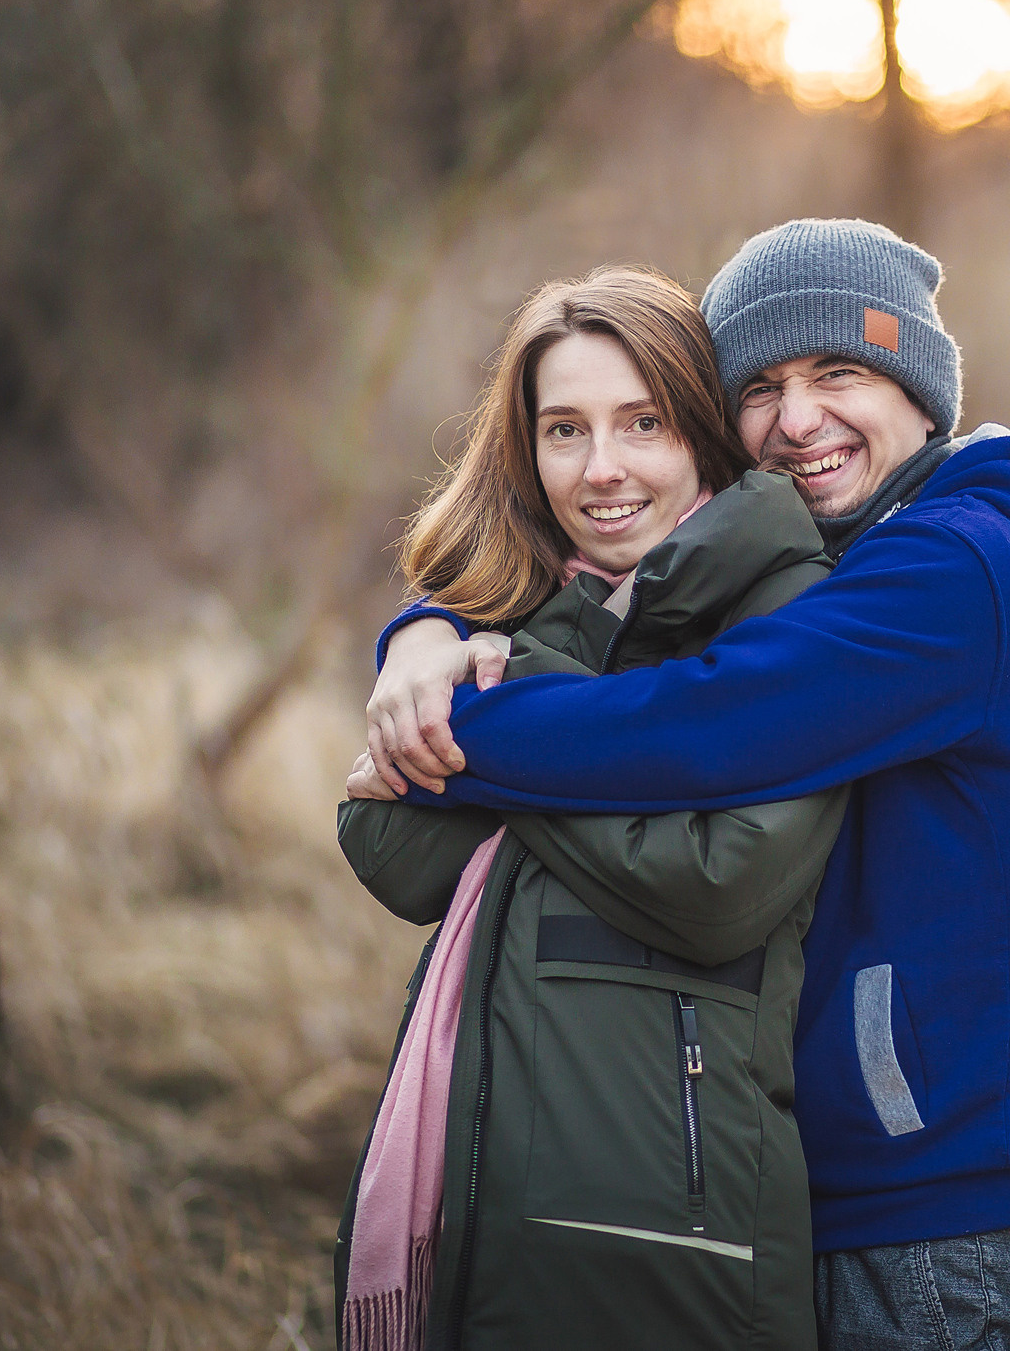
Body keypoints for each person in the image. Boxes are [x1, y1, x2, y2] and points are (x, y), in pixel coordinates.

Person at [367, 220, 1010, 1349]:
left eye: (838, 372)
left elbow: (704, 721)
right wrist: (429, 629)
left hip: (940, 1242)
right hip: (833, 1204)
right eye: (759, 387)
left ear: (919, 388)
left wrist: (457, 719)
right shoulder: (846, 557)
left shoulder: (953, 571)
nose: (796, 419)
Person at [334, 266, 844, 1351]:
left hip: (688, 1265)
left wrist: (507, 724)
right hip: (492, 1242)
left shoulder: (788, 613)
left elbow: (721, 885)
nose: (601, 469)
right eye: (564, 430)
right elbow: (388, 846)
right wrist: (436, 634)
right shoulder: (530, 611)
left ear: (703, 436)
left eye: (642, 423)